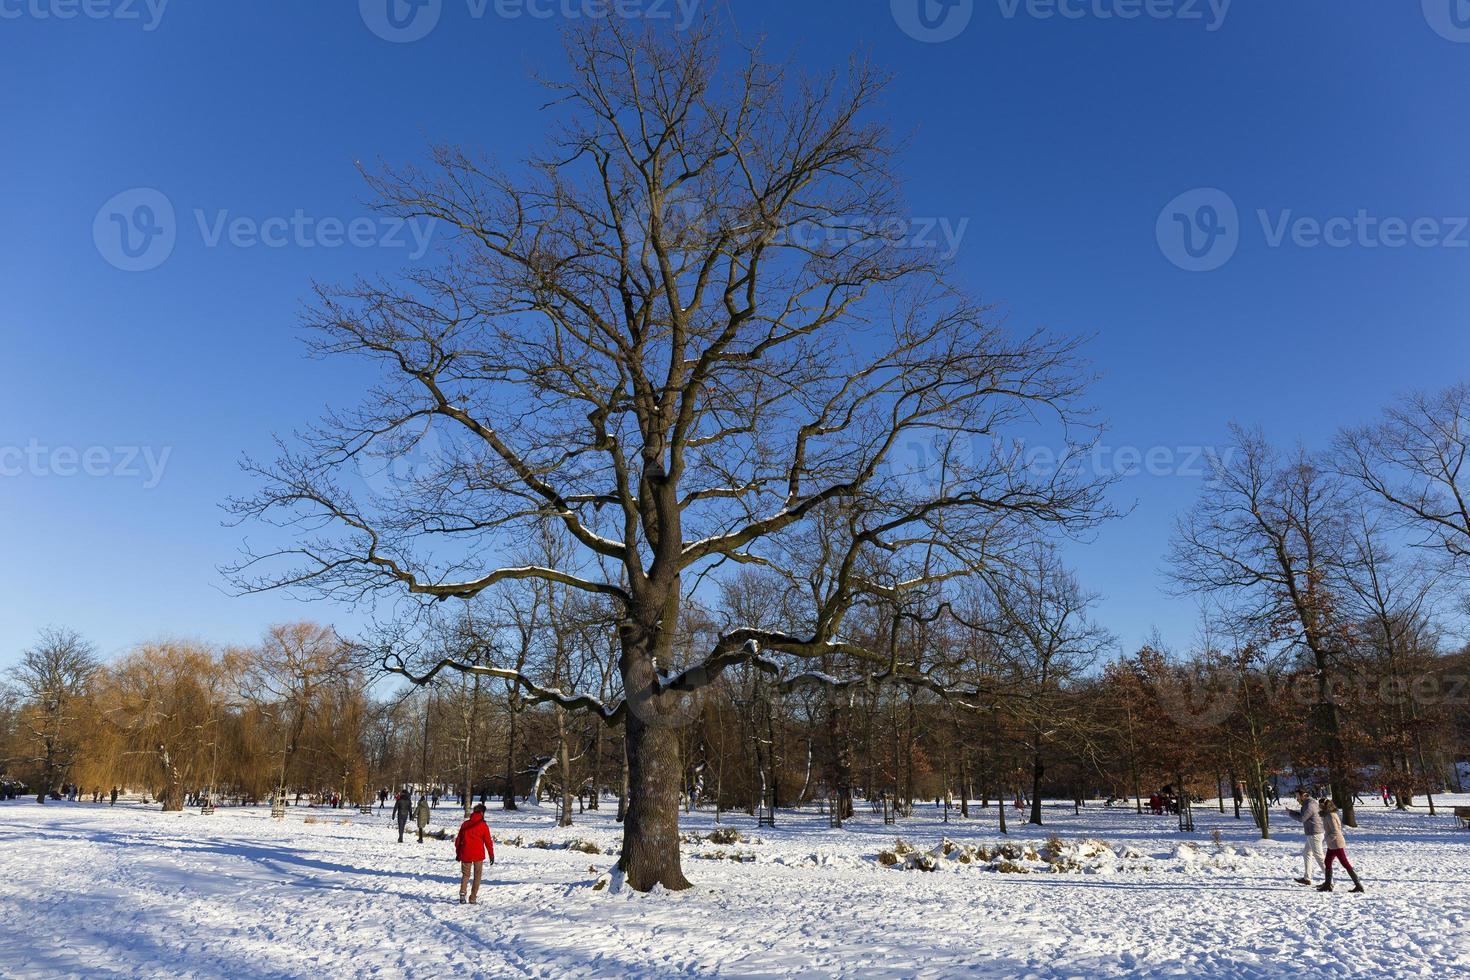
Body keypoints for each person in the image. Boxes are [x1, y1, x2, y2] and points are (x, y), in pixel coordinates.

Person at [1316, 799, 1364, 893]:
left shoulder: (1330, 815)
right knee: (1327, 861)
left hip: (1336, 843)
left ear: (1325, 805)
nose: (1319, 807)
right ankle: (1327, 884)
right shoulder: (1328, 815)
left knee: (1345, 863)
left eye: (1320, 805)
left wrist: (1327, 839)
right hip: (1332, 844)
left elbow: (1335, 831)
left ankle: (1358, 885)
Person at [454, 803, 495, 905]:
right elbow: (488, 842)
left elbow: (458, 840)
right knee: (477, 876)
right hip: (478, 854)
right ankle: (473, 898)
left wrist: (458, 853)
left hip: (466, 853)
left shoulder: (465, 824)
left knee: (465, 875)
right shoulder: (483, 825)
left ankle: (462, 894)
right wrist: (491, 855)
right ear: (482, 813)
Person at [1286, 788, 1327, 886]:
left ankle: (1329, 880)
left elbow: (1302, 818)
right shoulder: (1308, 803)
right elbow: (1304, 816)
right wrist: (1292, 812)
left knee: (1319, 857)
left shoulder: (1309, 804)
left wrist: (1290, 813)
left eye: (1297, 796)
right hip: (1313, 833)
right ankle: (1307, 878)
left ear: (1303, 795)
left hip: (1315, 834)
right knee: (1306, 853)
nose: (1297, 799)